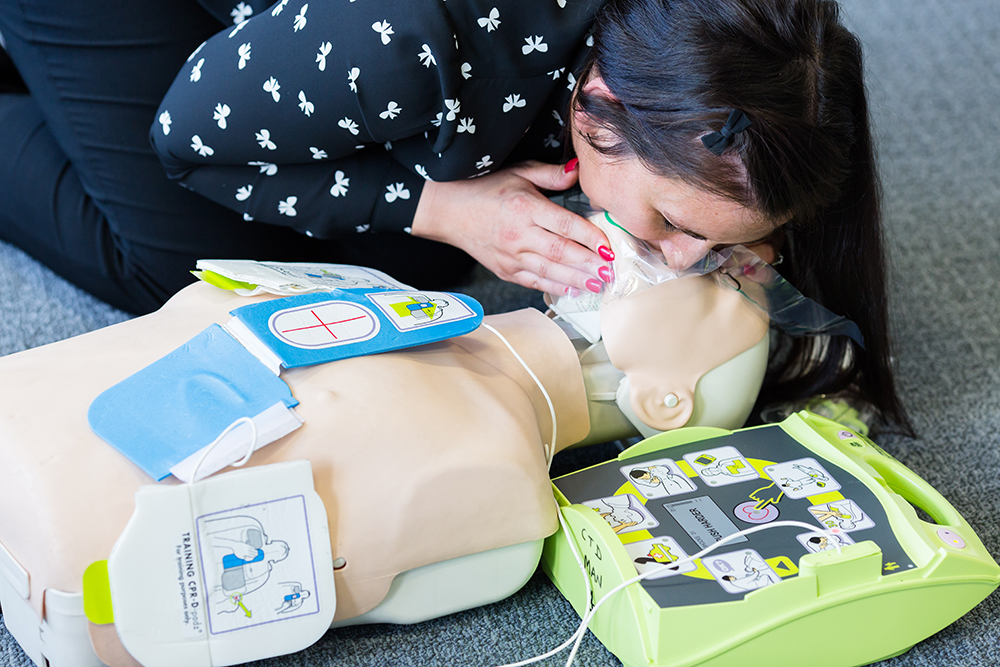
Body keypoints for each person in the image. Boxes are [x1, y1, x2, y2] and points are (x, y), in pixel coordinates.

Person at [0, 0, 911, 432]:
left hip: (325, 50)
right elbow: (188, 139)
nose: (683, 261)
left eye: (721, 245)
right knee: (191, 263)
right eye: (677, 225)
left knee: (418, 264)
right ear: (597, 106)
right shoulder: (412, 42)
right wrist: (437, 202)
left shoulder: (734, 42)